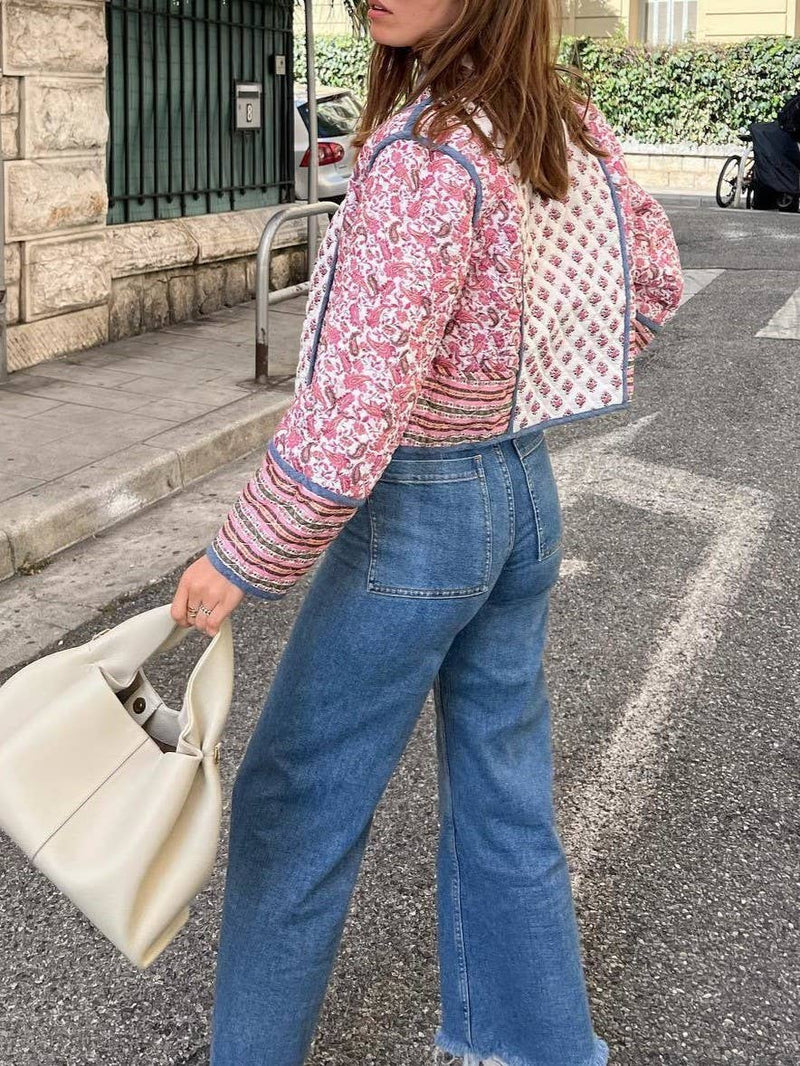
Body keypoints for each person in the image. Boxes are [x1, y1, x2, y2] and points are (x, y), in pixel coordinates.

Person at [170, 0, 683, 1062]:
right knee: (501, 793)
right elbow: (652, 289)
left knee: (294, 804)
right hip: (520, 490)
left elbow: (356, 406)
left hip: (417, 513)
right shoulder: (560, 125)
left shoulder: (425, 157)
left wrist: (242, 553)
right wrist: (509, 380)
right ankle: (538, 1046)